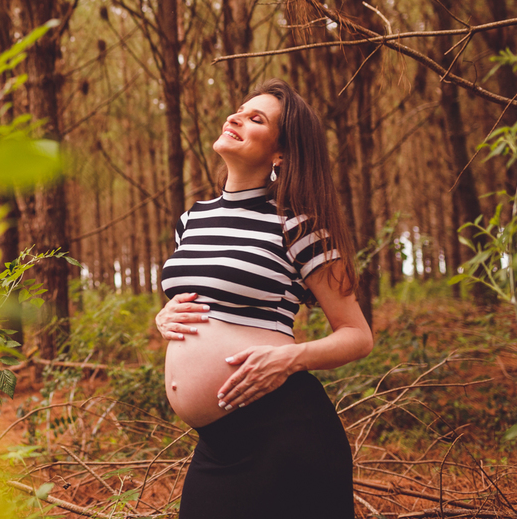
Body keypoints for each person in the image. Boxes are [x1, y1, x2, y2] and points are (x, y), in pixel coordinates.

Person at [154, 79, 373, 519]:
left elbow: (357, 336)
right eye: (239, 110)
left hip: (284, 430)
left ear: (280, 153)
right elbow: (205, 300)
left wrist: (290, 360)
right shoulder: (193, 219)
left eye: (257, 119)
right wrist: (165, 317)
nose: (235, 118)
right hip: (218, 444)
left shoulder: (298, 224)